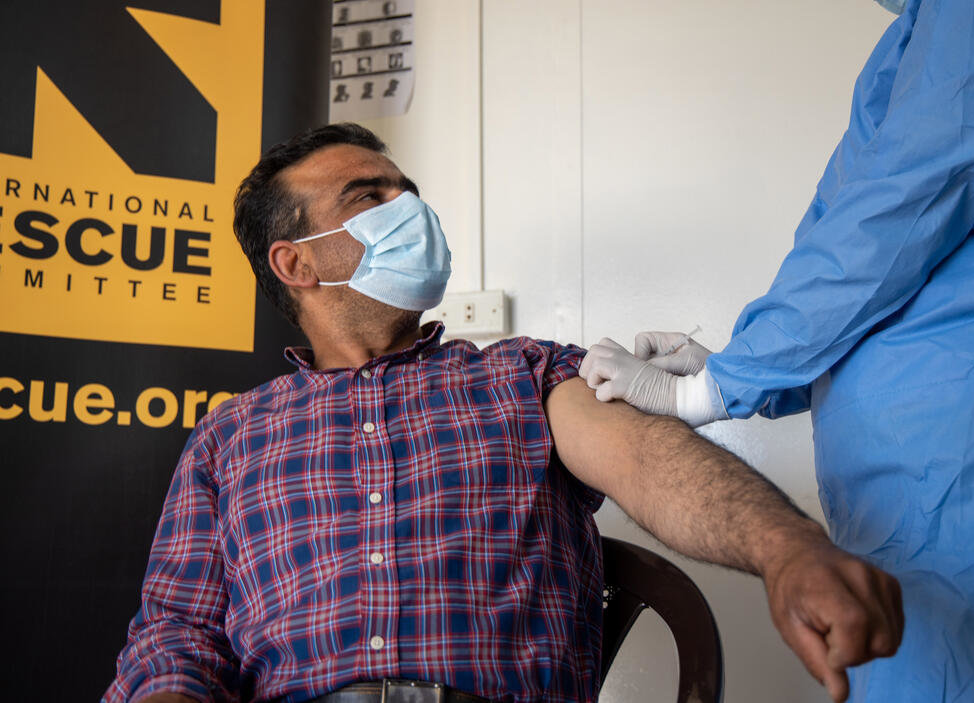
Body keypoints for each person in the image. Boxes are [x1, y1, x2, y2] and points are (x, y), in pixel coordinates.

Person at [104, 124, 902, 703]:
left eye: (408, 193)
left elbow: (645, 460)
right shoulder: (231, 436)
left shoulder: (523, 374)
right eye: (369, 196)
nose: (409, 209)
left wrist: (788, 548)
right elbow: (177, 632)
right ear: (295, 262)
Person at [579, 0, 974, 701]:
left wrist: (716, 387)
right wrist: (733, 366)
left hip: (973, 465)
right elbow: (869, 259)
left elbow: (897, 212)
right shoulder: (914, 35)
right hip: (920, 483)